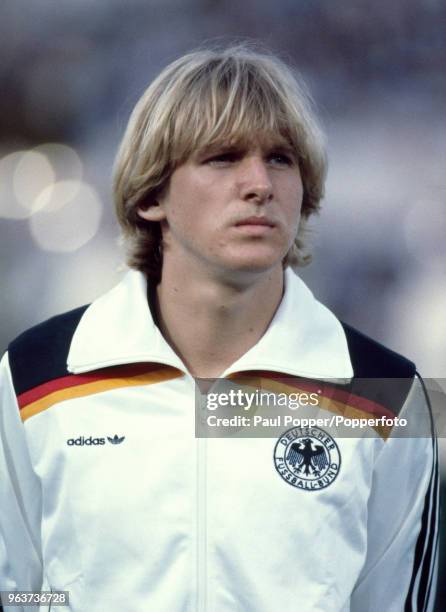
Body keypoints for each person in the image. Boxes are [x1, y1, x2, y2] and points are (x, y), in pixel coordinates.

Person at [0, 44, 439, 612]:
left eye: (281, 158)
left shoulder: (387, 392)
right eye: (223, 157)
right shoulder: (37, 376)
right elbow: (19, 591)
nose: (259, 183)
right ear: (153, 193)